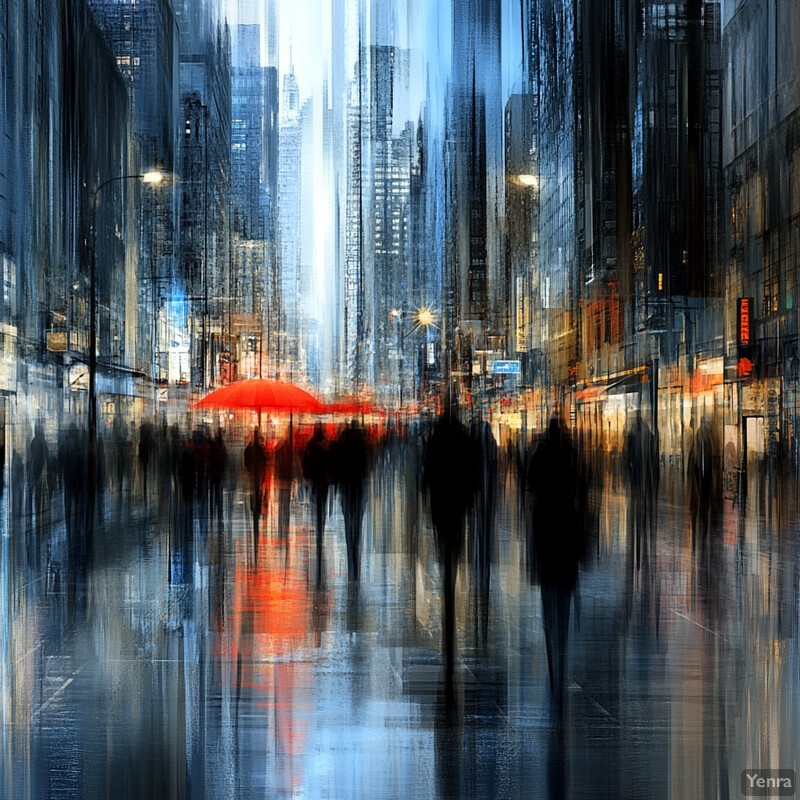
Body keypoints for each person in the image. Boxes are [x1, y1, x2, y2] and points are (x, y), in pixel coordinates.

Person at [527, 415, 586, 709]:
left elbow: (530, 486)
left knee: (548, 592)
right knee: (563, 587)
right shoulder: (571, 453)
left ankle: (553, 648)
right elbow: (583, 491)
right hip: (567, 528)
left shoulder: (541, 453)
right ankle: (560, 642)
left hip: (545, 530)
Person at [423, 407, 477, 683]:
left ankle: (447, 570)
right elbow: (472, 471)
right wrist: (471, 496)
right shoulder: (465, 438)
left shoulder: (434, 438)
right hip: (458, 502)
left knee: (444, 535)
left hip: (440, 503)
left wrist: (427, 493)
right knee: (454, 536)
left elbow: (428, 471)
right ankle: (451, 568)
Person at [331, 421, 369, 581]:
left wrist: (336, 482)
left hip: (346, 485)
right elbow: (365, 465)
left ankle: (350, 543)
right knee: (357, 516)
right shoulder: (361, 444)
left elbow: (337, 465)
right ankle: (356, 542)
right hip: (358, 484)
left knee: (348, 517)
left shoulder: (341, 444)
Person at [302, 422, 331, 585]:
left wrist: (307, 475)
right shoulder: (325, 446)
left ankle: (318, 521)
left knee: (316, 501)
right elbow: (330, 463)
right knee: (322, 501)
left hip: (314, 479)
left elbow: (305, 462)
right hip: (323, 480)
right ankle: (321, 523)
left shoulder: (310, 446)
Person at [244, 428, 268, 548]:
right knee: (257, 489)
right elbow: (265, 460)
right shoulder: (258, 448)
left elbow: (246, 459)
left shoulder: (251, 447)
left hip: (254, 472)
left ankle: (255, 505)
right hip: (257, 472)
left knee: (254, 490)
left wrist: (249, 468)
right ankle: (256, 505)